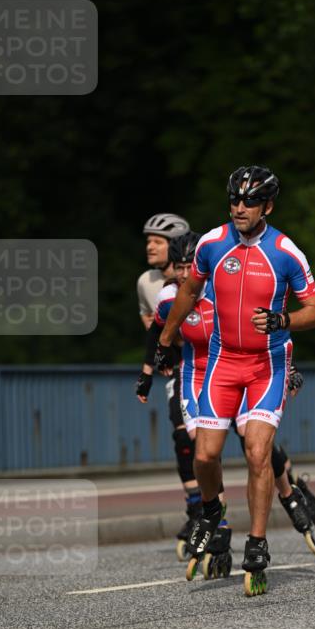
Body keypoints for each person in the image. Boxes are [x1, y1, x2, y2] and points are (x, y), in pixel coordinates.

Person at [156, 165, 315, 595]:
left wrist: (283, 319)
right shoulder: (212, 244)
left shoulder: (287, 251)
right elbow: (190, 292)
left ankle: (257, 543)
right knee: (206, 454)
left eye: (249, 201)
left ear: (267, 206)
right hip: (223, 361)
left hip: (267, 363)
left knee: (256, 452)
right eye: (234, 199)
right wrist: (166, 336)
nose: (239, 208)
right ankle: (211, 512)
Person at [135, 213, 201, 556]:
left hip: (217, 360)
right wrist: (149, 369)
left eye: (158, 241)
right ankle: (198, 511)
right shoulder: (147, 282)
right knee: (183, 438)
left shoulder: (200, 275)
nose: (150, 245)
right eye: (148, 240)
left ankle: (293, 489)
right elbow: (155, 331)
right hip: (180, 365)